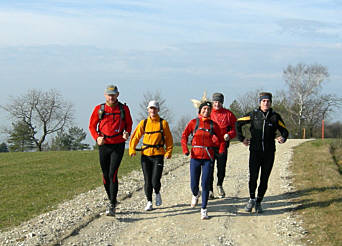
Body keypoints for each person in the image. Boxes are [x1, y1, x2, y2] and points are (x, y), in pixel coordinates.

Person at [236, 92, 288, 213]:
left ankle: (259, 202)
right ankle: (252, 199)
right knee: (253, 177)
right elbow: (238, 123)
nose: (266, 103)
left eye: (268, 101)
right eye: (263, 101)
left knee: (264, 179)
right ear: (260, 102)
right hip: (255, 151)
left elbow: (285, 131)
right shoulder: (253, 114)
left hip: (269, 152)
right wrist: (241, 138)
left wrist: (283, 138)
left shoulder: (275, 116)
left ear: (271, 103)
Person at [89, 85, 133, 216]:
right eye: (109, 95)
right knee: (105, 174)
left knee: (113, 173)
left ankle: (112, 204)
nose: (111, 97)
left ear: (117, 95)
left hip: (118, 145)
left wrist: (127, 133)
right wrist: (97, 138)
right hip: (104, 145)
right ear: (105, 95)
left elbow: (129, 123)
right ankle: (111, 199)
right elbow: (92, 126)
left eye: (113, 94)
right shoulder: (99, 109)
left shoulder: (123, 109)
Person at [181, 100, 225, 220]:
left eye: (208, 110)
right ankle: (196, 194)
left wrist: (221, 151)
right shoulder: (193, 123)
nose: (206, 111)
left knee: (205, 183)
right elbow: (184, 136)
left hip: (208, 158)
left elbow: (221, 139)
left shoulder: (213, 125)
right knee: (193, 184)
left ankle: (204, 209)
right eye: (204, 109)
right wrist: (185, 149)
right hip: (195, 157)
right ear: (200, 110)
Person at [129, 100, 173, 211]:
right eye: (151, 108)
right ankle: (149, 201)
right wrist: (132, 149)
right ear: (148, 110)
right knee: (147, 180)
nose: (152, 110)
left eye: (154, 108)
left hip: (158, 155)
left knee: (155, 180)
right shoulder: (144, 123)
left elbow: (169, 139)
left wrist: (168, 152)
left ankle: (157, 192)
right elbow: (135, 137)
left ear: (158, 110)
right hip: (145, 155)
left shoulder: (163, 123)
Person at [209, 92, 237, 199]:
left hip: (222, 146)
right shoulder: (208, 112)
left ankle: (219, 185)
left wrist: (229, 135)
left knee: (221, 168)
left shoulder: (229, 114)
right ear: (212, 102)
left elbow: (236, 129)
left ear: (222, 103)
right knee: (209, 169)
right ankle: (210, 190)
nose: (217, 104)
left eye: (219, 102)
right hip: (210, 146)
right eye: (215, 102)